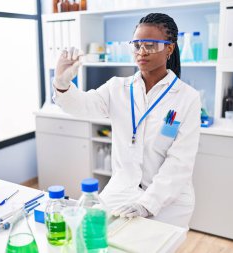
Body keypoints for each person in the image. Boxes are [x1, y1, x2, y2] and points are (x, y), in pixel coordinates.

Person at [52, 13, 201, 228]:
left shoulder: (187, 97)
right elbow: (82, 106)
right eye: (137, 45)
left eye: (150, 45)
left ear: (169, 48)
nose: (142, 52)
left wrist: (147, 204)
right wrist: (62, 83)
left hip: (169, 201)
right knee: (95, 237)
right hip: (121, 191)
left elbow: (180, 162)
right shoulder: (117, 88)